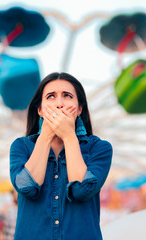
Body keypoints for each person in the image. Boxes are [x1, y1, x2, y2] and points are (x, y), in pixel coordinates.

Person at [10, 72, 113, 240]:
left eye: (67, 96)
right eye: (50, 96)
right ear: (40, 110)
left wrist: (69, 136)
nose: (59, 104)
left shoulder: (99, 148)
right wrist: (45, 136)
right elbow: (26, 187)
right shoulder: (21, 147)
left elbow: (82, 189)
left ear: (79, 108)